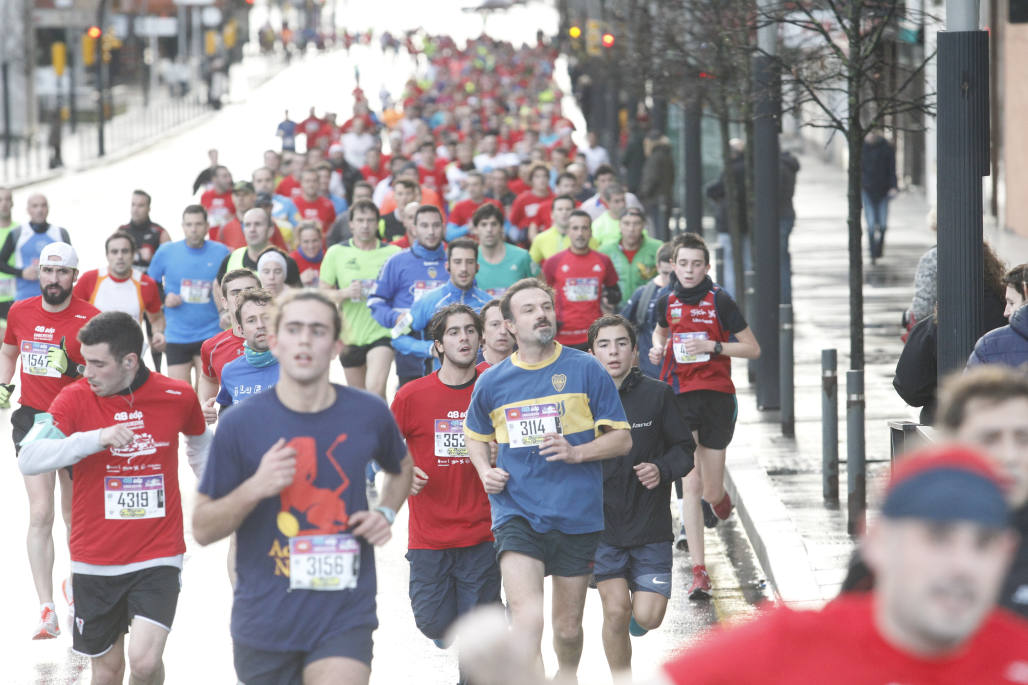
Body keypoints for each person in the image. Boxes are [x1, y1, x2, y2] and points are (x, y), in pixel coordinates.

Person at [193, 290, 414, 685]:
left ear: (336, 346)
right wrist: (256, 486)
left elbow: (401, 467)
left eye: (318, 330)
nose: (305, 340)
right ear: (275, 341)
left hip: (343, 608)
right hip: (265, 615)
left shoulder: (367, 412)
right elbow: (204, 527)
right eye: (293, 329)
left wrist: (386, 511)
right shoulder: (240, 423)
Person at [19, 311, 210, 680]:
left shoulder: (176, 395)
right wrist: (96, 439)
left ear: (129, 361)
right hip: (95, 558)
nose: (85, 372)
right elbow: (28, 457)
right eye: (85, 361)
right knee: (107, 671)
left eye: (96, 364)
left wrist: (222, 491)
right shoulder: (73, 399)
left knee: (145, 661)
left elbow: (201, 447)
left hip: (159, 552)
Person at [463, 278, 632, 684]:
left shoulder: (585, 369)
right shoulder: (492, 381)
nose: (542, 314)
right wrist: (485, 472)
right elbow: (474, 433)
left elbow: (622, 439)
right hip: (516, 511)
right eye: (529, 310)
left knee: (568, 628)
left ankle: (567, 675)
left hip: (576, 513)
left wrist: (577, 453)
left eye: (546, 306)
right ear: (509, 326)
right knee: (526, 618)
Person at [391, 304, 501, 684]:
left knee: (477, 635)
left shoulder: (495, 388)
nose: (464, 338)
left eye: (470, 331)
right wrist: (404, 472)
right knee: (433, 623)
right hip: (430, 537)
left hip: (483, 532)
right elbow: (383, 449)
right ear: (438, 345)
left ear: (481, 338)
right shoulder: (412, 396)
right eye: (454, 333)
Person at [649, 233, 760, 599]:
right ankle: (699, 572)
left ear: (707, 267)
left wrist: (712, 345)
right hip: (679, 398)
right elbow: (659, 331)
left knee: (710, 490)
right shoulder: (666, 299)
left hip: (716, 398)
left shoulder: (720, 300)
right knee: (690, 482)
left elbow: (752, 348)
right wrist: (656, 348)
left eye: (697, 264)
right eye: (683, 264)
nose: (690, 270)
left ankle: (720, 498)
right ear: (674, 267)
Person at [0, 241, 100, 638]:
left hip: (76, 423)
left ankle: (75, 589)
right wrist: (3, 384)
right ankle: (46, 609)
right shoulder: (21, 312)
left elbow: (102, 376)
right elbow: (9, 350)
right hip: (32, 422)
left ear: (74, 276)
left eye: (62, 272)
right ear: (38, 273)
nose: (53, 279)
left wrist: (73, 366)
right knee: (40, 513)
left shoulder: (91, 319)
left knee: (74, 518)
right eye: (47, 271)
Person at [588, 314, 694, 679]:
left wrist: (661, 469)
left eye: (621, 344)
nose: (613, 352)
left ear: (635, 352)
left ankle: (640, 620)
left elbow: (684, 450)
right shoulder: (579, 401)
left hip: (650, 525)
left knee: (647, 616)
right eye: (604, 345)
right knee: (614, 610)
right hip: (602, 528)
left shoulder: (658, 394)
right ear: (592, 353)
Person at [320, 200, 400, 399]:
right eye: (360, 220)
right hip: (350, 335)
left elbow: (403, 293)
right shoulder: (336, 253)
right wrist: (344, 293)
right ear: (351, 224)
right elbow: (323, 293)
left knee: (375, 389)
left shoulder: (393, 253)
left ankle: (385, 430)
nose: (365, 225)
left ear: (377, 224)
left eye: (370, 220)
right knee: (359, 398)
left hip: (382, 331)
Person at [148, 205, 230, 387]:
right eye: (189, 224)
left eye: (198, 224)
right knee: (180, 397)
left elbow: (230, 284)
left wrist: (226, 311)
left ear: (207, 226)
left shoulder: (221, 252)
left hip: (211, 333)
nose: (194, 229)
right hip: (177, 335)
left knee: (206, 399)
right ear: (182, 226)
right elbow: (150, 284)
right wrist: (164, 298)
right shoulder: (166, 252)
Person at [369, 204, 449, 386]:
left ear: (443, 227)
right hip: (410, 348)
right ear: (413, 228)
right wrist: (395, 318)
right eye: (424, 226)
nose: (431, 231)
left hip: (448, 346)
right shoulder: (397, 261)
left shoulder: (454, 259)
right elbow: (375, 300)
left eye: (436, 225)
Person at [73, 231, 166, 361]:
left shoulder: (146, 284)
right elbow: (70, 311)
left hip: (130, 359)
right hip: (96, 359)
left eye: (125, 251)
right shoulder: (90, 279)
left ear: (133, 254)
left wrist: (158, 333)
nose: (120, 256)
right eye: (114, 252)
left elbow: (156, 318)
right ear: (107, 255)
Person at [541, 210, 620, 351]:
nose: (580, 233)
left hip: (595, 335)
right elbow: (540, 296)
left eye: (584, 228)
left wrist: (611, 298)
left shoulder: (603, 261)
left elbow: (614, 292)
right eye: (575, 228)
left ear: (591, 232)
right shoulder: (553, 262)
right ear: (568, 232)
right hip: (563, 337)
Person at [198, 269, 261, 420]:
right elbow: (208, 378)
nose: (243, 297)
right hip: (233, 430)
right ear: (224, 302)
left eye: (250, 290)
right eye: (236, 292)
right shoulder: (212, 347)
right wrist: (205, 404)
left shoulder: (281, 341)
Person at [214, 208, 301, 299]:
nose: (252, 229)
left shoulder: (286, 262)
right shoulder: (231, 258)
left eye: (258, 224)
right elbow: (217, 286)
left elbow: (297, 297)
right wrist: (223, 311)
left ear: (270, 230)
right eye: (247, 225)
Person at [0, 193, 72, 302]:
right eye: (35, 206)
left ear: (48, 209)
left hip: (56, 299)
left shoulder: (60, 233)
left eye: (43, 205)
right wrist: (21, 272)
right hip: (25, 297)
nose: (40, 210)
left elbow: (71, 264)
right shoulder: (17, 233)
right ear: (28, 210)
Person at [217, 289, 278, 409]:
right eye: (251, 321)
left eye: (266, 318)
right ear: (241, 331)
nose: (260, 325)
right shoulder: (230, 371)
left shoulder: (296, 367)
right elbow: (226, 418)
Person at [621, 243, 674, 379]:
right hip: (650, 374)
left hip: (682, 374)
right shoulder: (644, 294)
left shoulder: (691, 297)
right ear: (657, 268)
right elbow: (620, 327)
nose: (670, 280)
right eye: (665, 273)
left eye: (673, 274)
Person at [705, 141, 749, 298]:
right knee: (744, 262)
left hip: (729, 223)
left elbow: (715, 189)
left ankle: (732, 297)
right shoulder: (748, 168)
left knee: (729, 263)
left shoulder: (732, 170)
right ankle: (742, 294)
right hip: (744, 224)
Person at [600, 208, 662, 303]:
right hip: (615, 309)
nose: (631, 229)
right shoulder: (605, 251)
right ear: (619, 225)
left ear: (643, 225)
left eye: (636, 224)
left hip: (647, 307)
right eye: (626, 223)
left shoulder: (658, 248)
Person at [473, 204, 536, 298]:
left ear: (502, 228)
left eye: (494, 224)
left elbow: (540, 288)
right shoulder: (470, 259)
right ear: (475, 230)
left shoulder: (522, 256)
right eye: (484, 224)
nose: (489, 229)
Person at [529, 195, 596, 266]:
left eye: (568, 209)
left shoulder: (586, 238)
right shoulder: (540, 239)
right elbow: (529, 266)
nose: (564, 212)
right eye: (560, 209)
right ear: (552, 214)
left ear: (574, 212)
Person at [861, 129, 897, 262]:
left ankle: (879, 249)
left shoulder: (886, 148)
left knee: (882, 225)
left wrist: (893, 187)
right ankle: (872, 253)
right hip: (867, 190)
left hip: (883, 190)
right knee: (870, 224)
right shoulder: (861, 148)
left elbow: (892, 169)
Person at [117, 189, 172, 272]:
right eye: (133, 205)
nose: (135, 209)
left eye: (140, 205)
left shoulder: (160, 233)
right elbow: (112, 260)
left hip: (150, 282)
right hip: (126, 282)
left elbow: (171, 265)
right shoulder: (121, 231)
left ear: (149, 209)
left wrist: (153, 259)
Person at [639, 131, 674, 241]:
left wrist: (643, 193)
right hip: (664, 199)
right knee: (663, 232)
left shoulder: (654, 157)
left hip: (655, 201)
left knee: (656, 234)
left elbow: (651, 179)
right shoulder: (667, 155)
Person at [446, 171, 502, 241]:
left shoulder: (495, 204)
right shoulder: (459, 206)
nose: (471, 189)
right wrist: (468, 227)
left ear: (484, 186)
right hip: (468, 248)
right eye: (468, 185)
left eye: (475, 185)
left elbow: (503, 230)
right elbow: (449, 235)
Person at [508, 164, 554, 247]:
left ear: (549, 179)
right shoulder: (522, 199)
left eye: (545, 176)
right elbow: (514, 221)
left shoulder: (555, 199)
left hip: (550, 241)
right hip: (526, 243)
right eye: (537, 177)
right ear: (531, 179)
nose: (542, 180)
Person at [778, 150, 800, 303]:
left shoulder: (777, 167)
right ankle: (785, 300)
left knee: (781, 260)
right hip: (787, 214)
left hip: (779, 217)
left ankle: (784, 300)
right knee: (783, 257)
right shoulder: (788, 164)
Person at [293, 168, 336, 235]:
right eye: (307, 181)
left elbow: (332, 232)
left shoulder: (328, 205)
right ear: (301, 183)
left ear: (318, 183)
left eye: (314, 181)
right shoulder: (293, 204)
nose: (311, 185)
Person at [477, 299, 513, 370]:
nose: (503, 331)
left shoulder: (528, 368)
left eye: (508, 324)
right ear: (482, 331)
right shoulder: (469, 369)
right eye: (495, 324)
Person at [590, 183, 628, 248]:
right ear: (607, 202)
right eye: (616, 201)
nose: (622, 205)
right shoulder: (598, 224)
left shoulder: (634, 219)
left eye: (623, 200)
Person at [0, 187, 16, 338]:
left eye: (7, 199)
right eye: (0, 200)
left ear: (12, 203)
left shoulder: (20, 231)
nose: (4, 204)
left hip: (14, 296)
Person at [200, 165, 236, 230]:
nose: (229, 180)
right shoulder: (205, 196)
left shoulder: (235, 195)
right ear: (214, 179)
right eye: (225, 176)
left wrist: (234, 218)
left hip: (230, 237)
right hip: (211, 238)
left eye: (229, 176)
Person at [290, 222, 325, 286]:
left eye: (314, 240)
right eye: (306, 241)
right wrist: (299, 280)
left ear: (320, 239)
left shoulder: (328, 257)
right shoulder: (291, 260)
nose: (311, 246)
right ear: (299, 242)